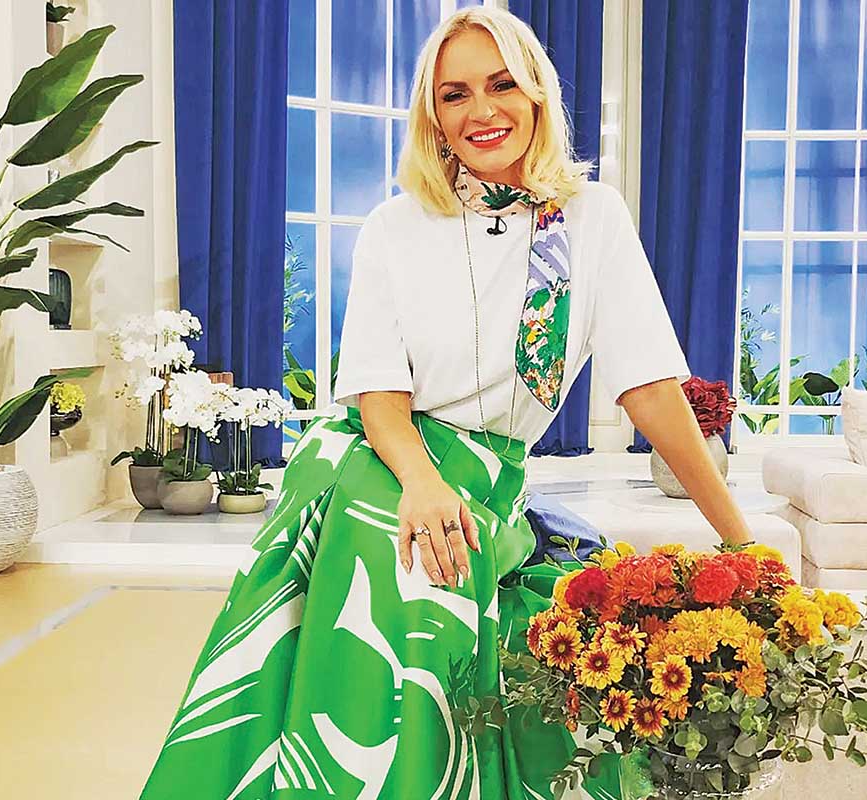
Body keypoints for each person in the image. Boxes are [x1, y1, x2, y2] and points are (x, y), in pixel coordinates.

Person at [140, 7, 753, 799]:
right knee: (413, 578)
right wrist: (423, 484)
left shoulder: (593, 218)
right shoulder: (394, 227)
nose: (481, 110)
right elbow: (378, 394)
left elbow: (650, 389)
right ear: (433, 114)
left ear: (536, 94)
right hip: (381, 456)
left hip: (491, 475)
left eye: (501, 85)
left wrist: (741, 543)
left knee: (498, 601)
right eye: (454, 94)